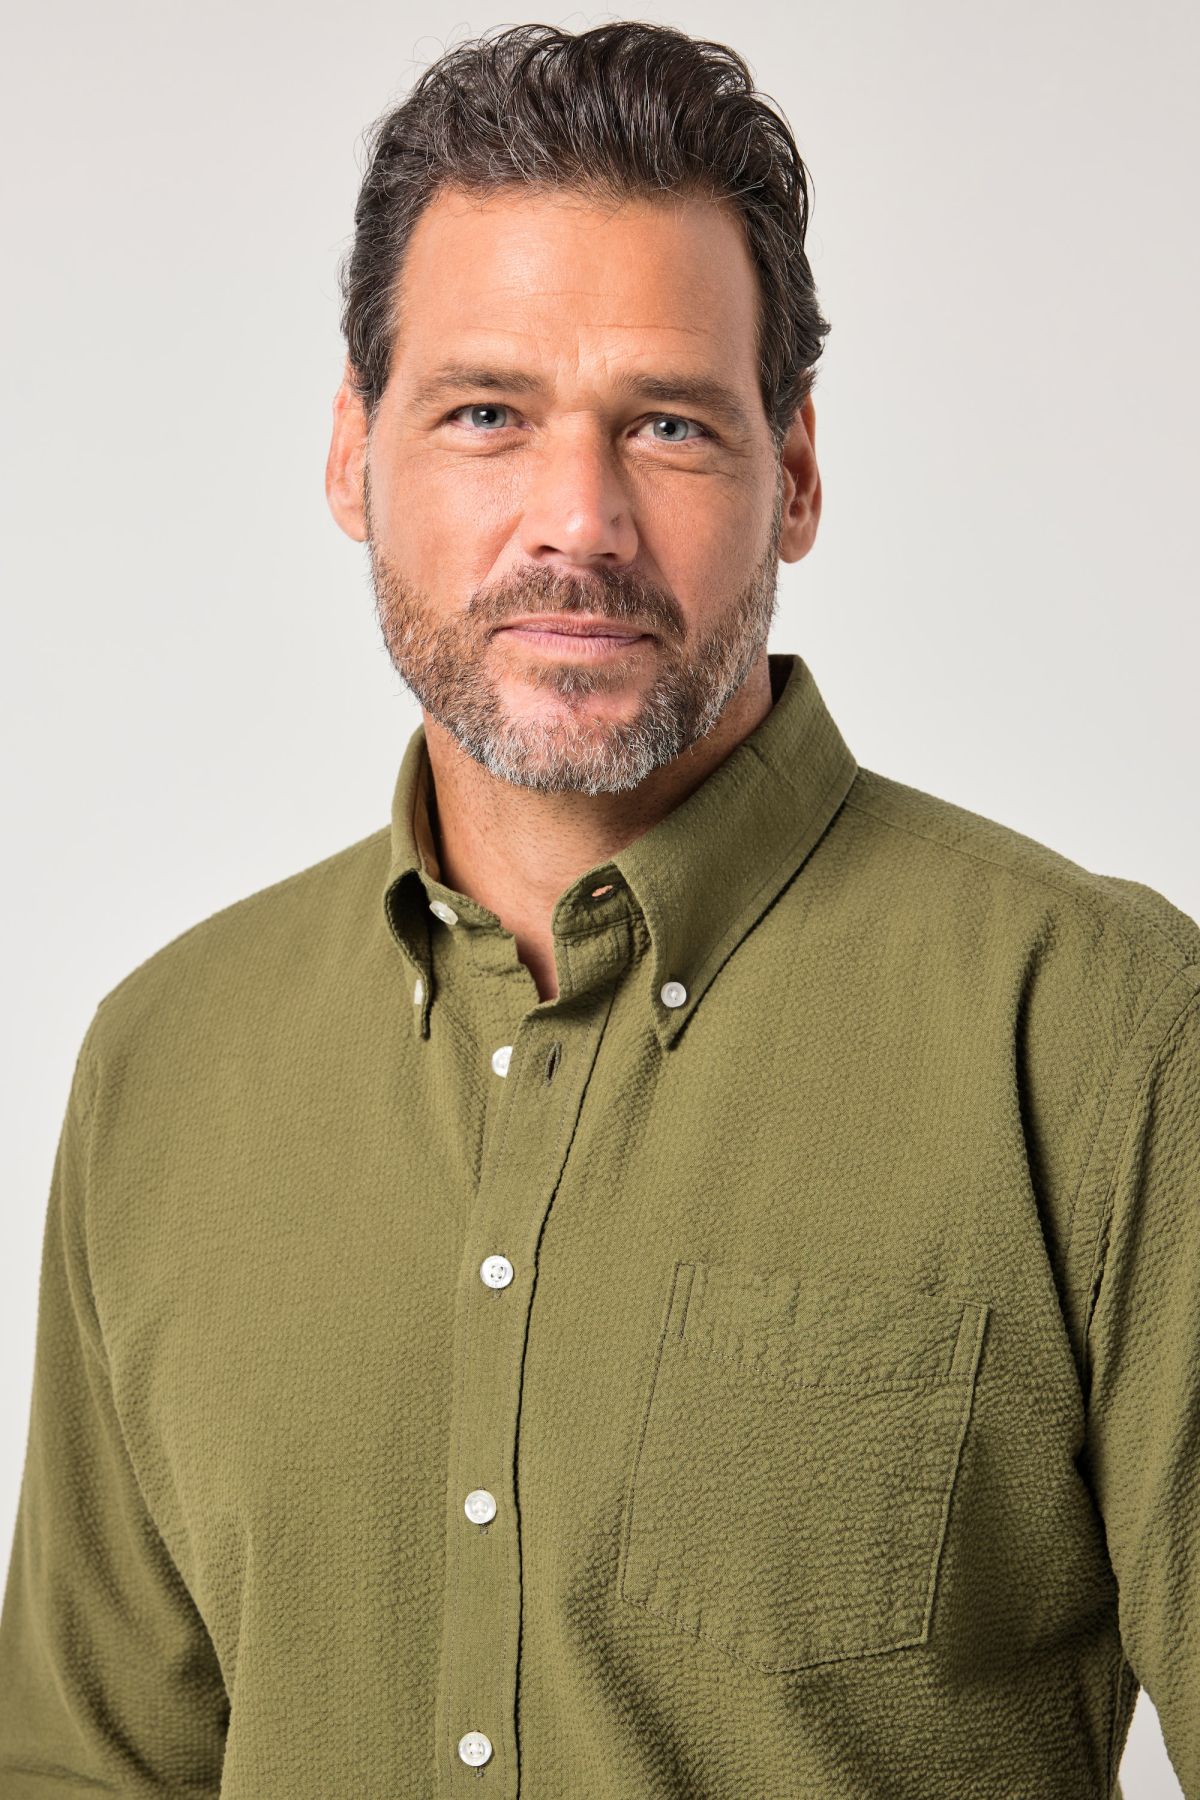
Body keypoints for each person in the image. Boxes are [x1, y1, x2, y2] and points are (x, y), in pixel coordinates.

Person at [1, 18, 1197, 1798]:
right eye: (486, 414)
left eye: (669, 425)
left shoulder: (1101, 1029)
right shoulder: (164, 1065)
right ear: (353, 455)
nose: (578, 521)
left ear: (796, 472)